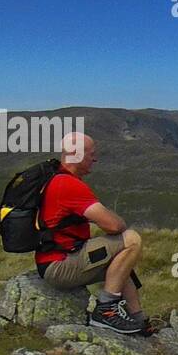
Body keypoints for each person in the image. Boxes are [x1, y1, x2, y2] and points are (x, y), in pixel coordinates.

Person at [35, 132, 147, 335]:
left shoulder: (58, 179)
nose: (94, 159)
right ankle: (106, 311)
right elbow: (113, 226)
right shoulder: (68, 184)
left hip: (56, 259)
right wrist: (119, 221)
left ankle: (138, 319)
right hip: (60, 265)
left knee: (121, 262)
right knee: (131, 240)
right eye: (91, 154)